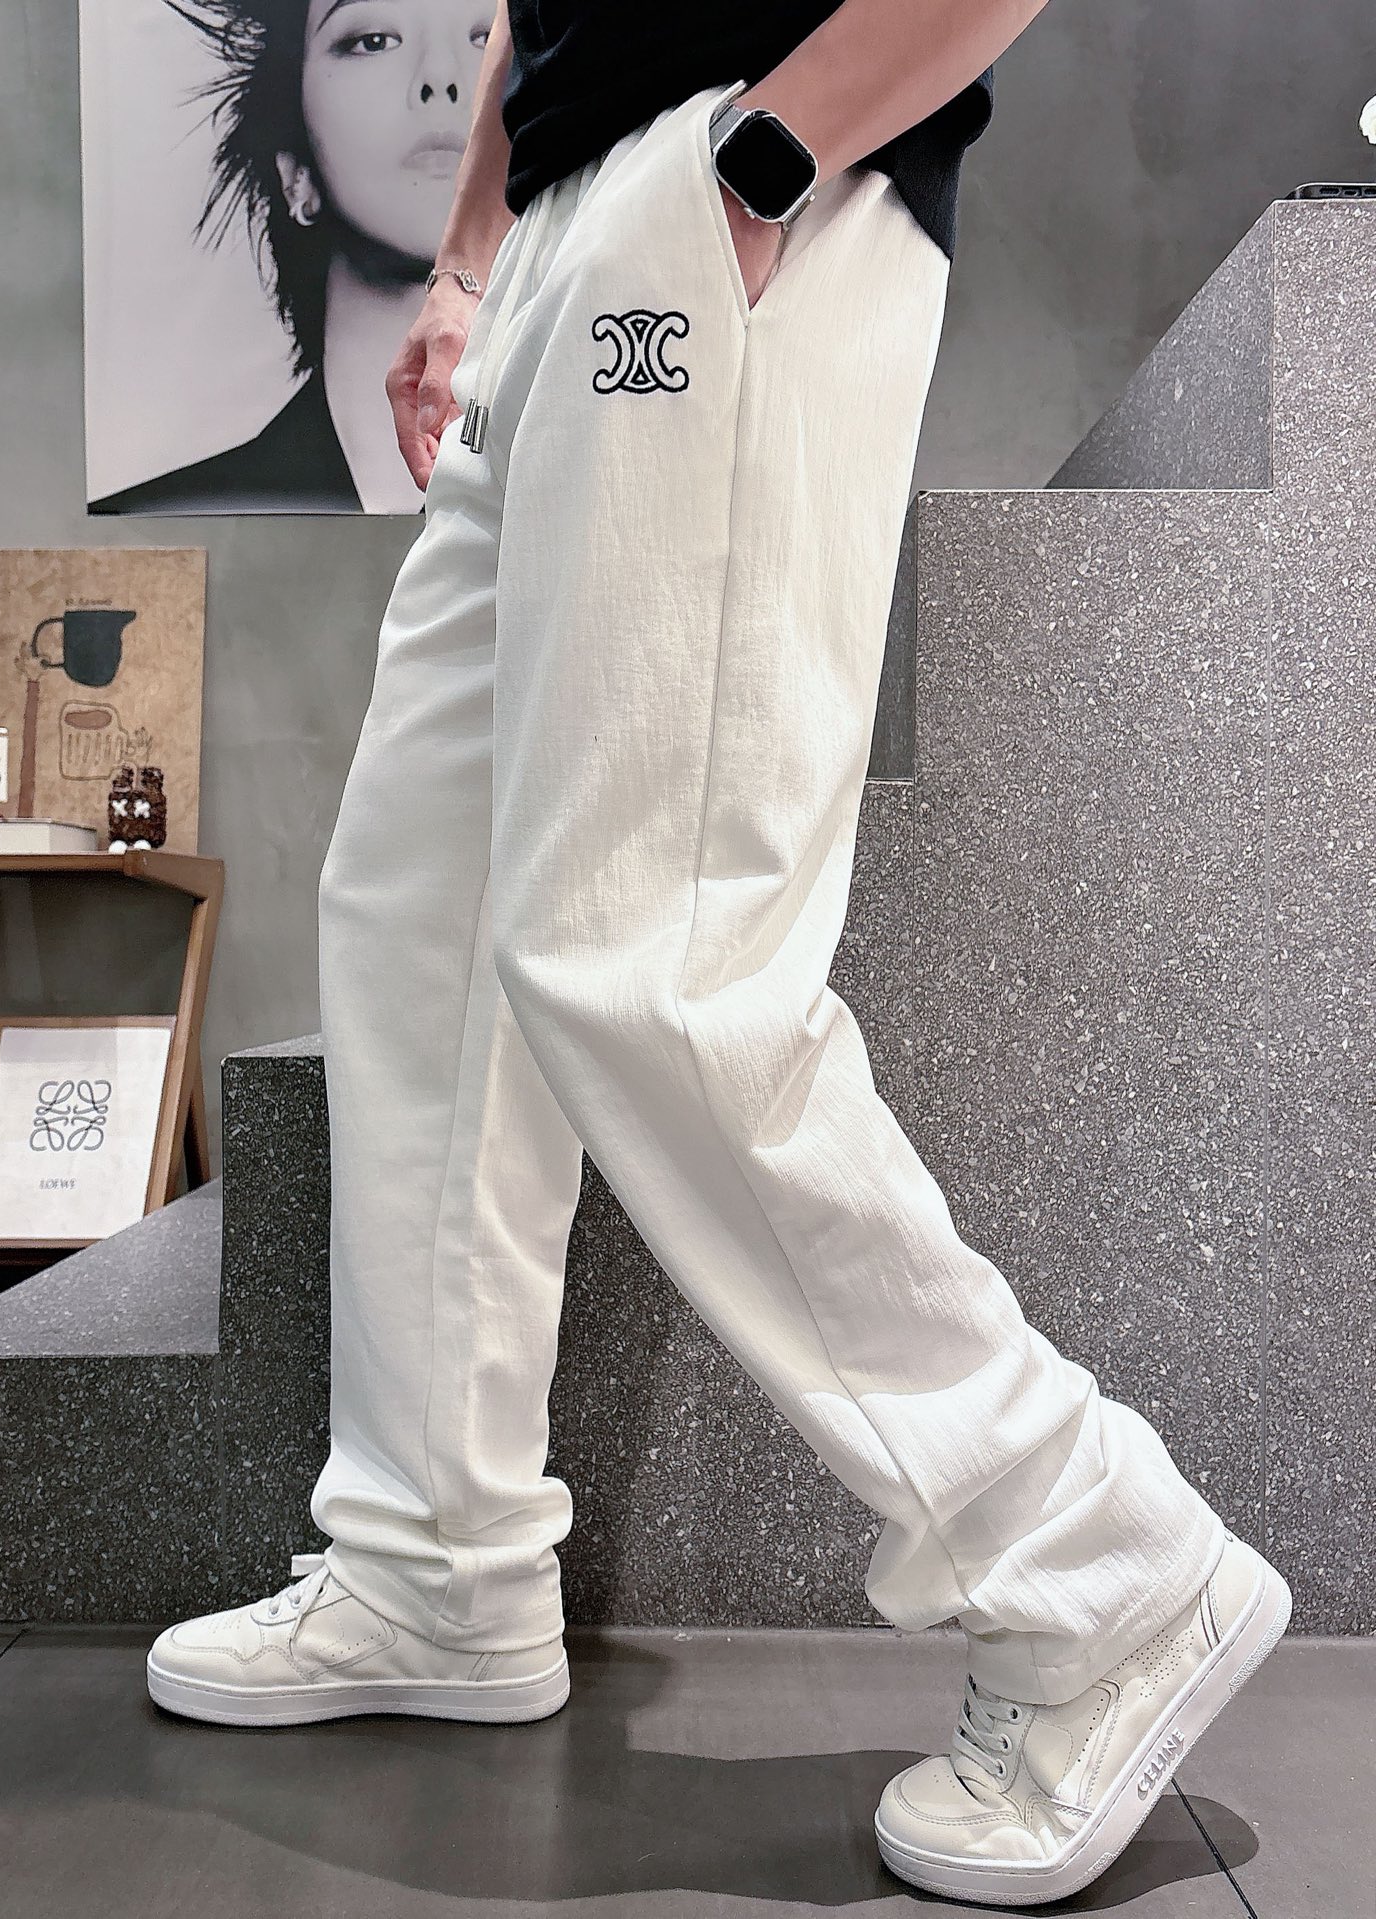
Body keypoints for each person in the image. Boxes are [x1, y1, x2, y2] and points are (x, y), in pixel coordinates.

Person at [146, 1, 1293, 1905]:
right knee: (421, 919)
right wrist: (471, 264)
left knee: (654, 962)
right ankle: (435, 1558)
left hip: (739, 180)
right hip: (570, 242)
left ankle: (1098, 1564)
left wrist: (765, 160)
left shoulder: (745, 174)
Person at [91, 0, 492, 514]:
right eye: (373, 41)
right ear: (295, 173)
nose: (440, 76)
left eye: (486, 38)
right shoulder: (155, 520)